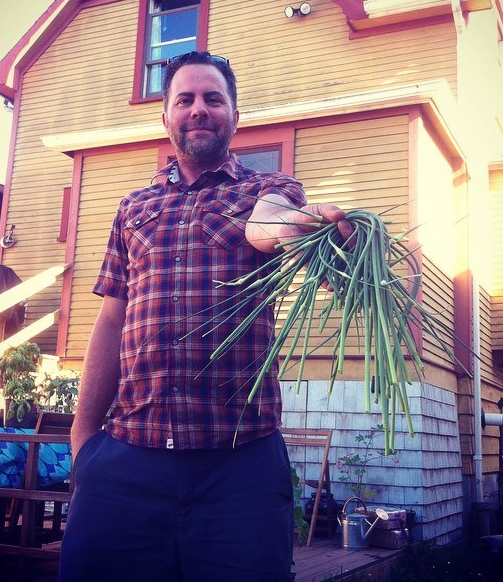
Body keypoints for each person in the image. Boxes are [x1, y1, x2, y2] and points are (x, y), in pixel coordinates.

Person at [59, 51, 350, 582]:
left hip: (239, 468)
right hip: (127, 458)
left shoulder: (268, 191)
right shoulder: (133, 207)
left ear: (234, 115)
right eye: (185, 99)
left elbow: (271, 226)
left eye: (213, 99)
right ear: (166, 116)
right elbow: (110, 320)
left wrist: (310, 229)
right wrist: (84, 444)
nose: (199, 109)